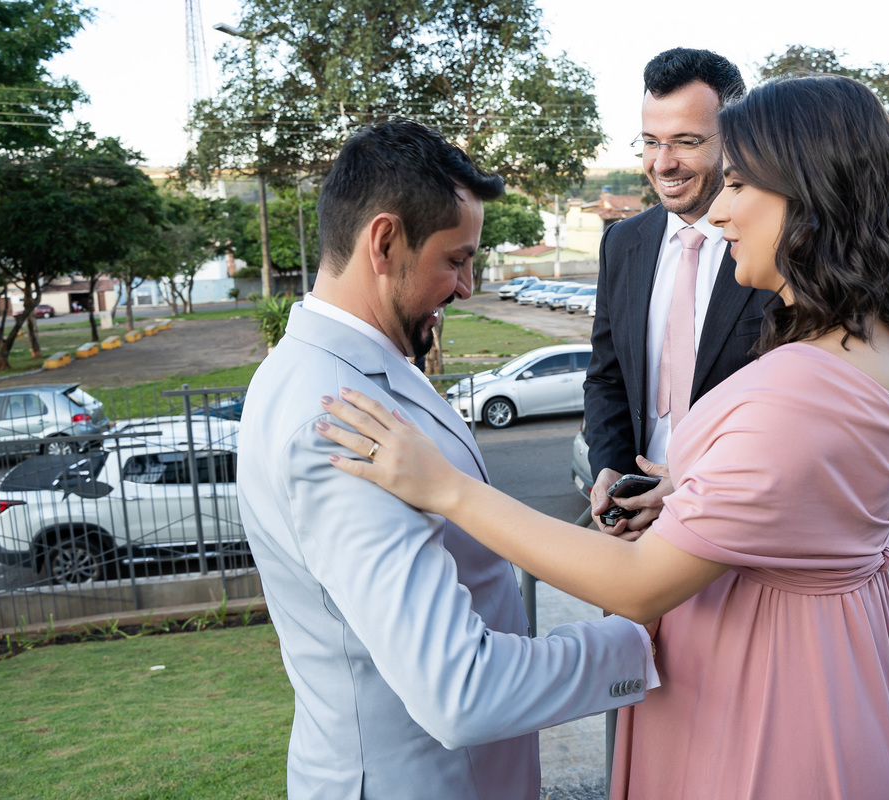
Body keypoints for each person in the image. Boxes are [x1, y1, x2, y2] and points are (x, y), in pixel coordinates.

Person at [319, 75, 889, 799]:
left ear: (808, 194)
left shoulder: (796, 389)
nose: (721, 209)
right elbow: (878, 529)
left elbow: (639, 585)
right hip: (846, 678)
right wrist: (715, 495)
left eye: (740, 184)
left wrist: (447, 489)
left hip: (763, 709)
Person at [237, 119, 653, 800]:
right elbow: (461, 691)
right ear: (384, 242)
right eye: (456, 260)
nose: (466, 286)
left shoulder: (347, 367)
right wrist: (636, 644)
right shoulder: (337, 418)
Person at [584, 48, 775, 536]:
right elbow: (606, 378)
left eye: (686, 141)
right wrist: (609, 471)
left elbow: (785, 411)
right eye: (650, 142)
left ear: (735, 138)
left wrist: (695, 482)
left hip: (736, 525)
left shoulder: (776, 246)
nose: (663, 163)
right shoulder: (621, 242)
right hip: (637, 524)